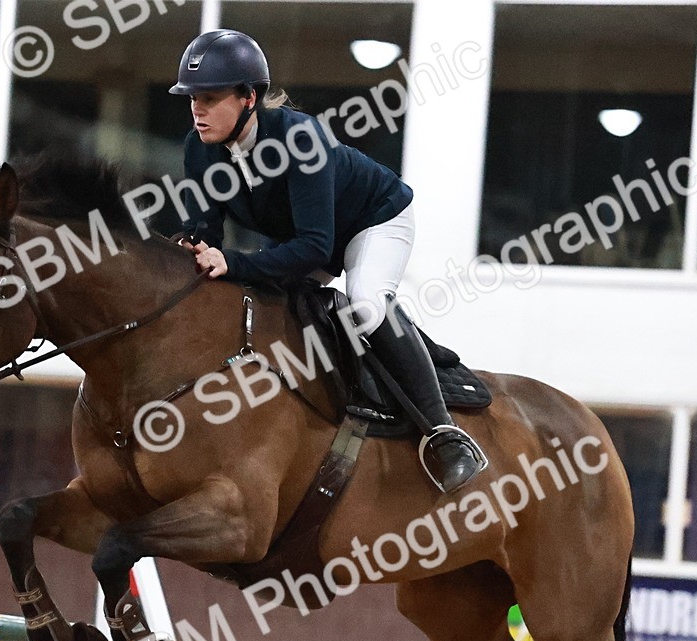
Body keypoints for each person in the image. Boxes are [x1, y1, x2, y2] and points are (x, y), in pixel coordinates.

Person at [170, 29, 486, 493]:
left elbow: (316, 248)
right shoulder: (199, 148)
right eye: (192, 98)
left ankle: (445, 435)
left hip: (372, 221)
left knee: (365, 304)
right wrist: (188, 248)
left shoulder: (300, 138)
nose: (197, 110)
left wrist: (234, 263)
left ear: (249, 97)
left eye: (210, 98)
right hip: (307, 235)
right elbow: (207, 229)